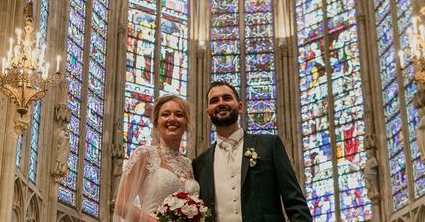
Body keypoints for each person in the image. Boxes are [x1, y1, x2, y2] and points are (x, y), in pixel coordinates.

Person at [192, 81, 312, 222]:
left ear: (241, 107)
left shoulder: (269, 145)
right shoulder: (199, 164)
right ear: (208, 112)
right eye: (214, 101)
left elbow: (296, 204)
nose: (221, 103)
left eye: (227, 98)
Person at [114, 95, 199, 222]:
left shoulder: (190, 164)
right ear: (156, 123)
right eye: (165, 114)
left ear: (186, 123)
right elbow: (121, 205)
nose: (172, 119)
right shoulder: (145, 154)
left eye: (179, 115)